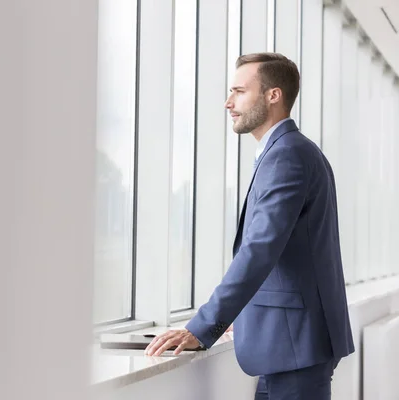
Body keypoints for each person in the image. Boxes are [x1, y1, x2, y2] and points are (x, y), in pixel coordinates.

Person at [144, 52, 354, 400]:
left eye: (239, 91)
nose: (229, 102)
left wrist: (204, 325)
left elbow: (260, 250)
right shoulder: (289, 151)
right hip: (286, 343)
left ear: (274, 95)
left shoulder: (287, 155)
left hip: (294, 345)